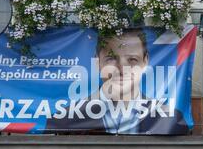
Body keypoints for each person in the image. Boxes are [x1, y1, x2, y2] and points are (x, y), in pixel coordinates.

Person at [46, 29, 189, 135]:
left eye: (132, 60)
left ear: (146, 61)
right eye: (111, 58)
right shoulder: (63, 120)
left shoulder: (171, 119)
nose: (122, 69)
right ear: (97, 62)